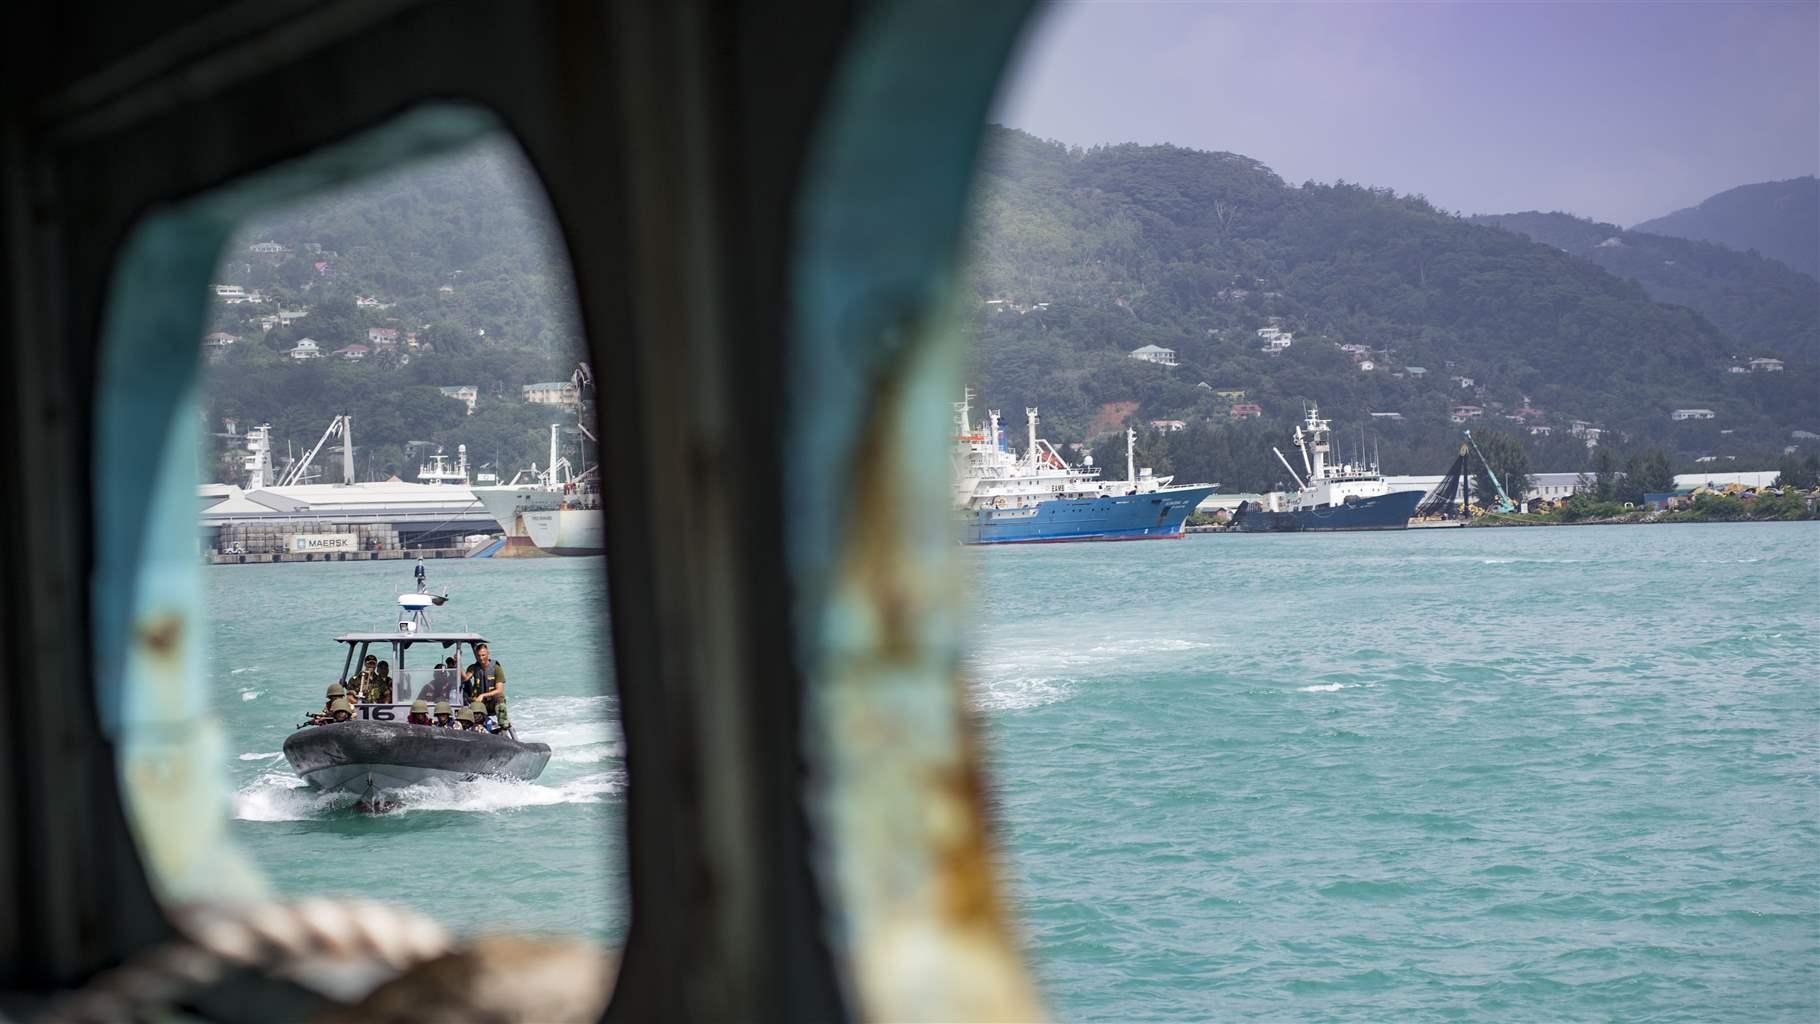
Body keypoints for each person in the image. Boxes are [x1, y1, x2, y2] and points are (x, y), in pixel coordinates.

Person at [461, 643, 506, 716]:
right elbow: (465, 678)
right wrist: (458, 663)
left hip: (492, 701)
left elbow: (499, 690)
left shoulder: (496, 668)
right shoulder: (473, 668)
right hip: (478, 702)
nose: (481, 658)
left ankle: (504, 724)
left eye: (483, 655)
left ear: (488, 654)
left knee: (500, 700)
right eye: (479, 656)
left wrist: (483, 695)